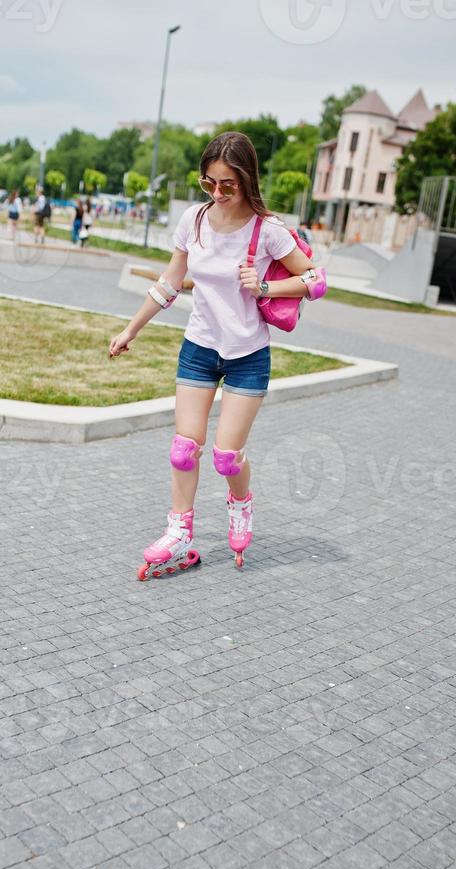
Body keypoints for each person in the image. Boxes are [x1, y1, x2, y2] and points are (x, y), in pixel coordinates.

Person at [108, 131, 326, 580]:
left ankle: (241, 504)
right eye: (209, 183)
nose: (218, 194)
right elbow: (171, 282)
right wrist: (132, 328)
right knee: (184, 449)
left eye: (228, 185)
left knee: (227, 456)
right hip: (200, 347)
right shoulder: (194, 220)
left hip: (248, 354)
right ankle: (180, 533)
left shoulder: (269, 230)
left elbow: (317, 280)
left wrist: (265, 286)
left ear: (247, 180)